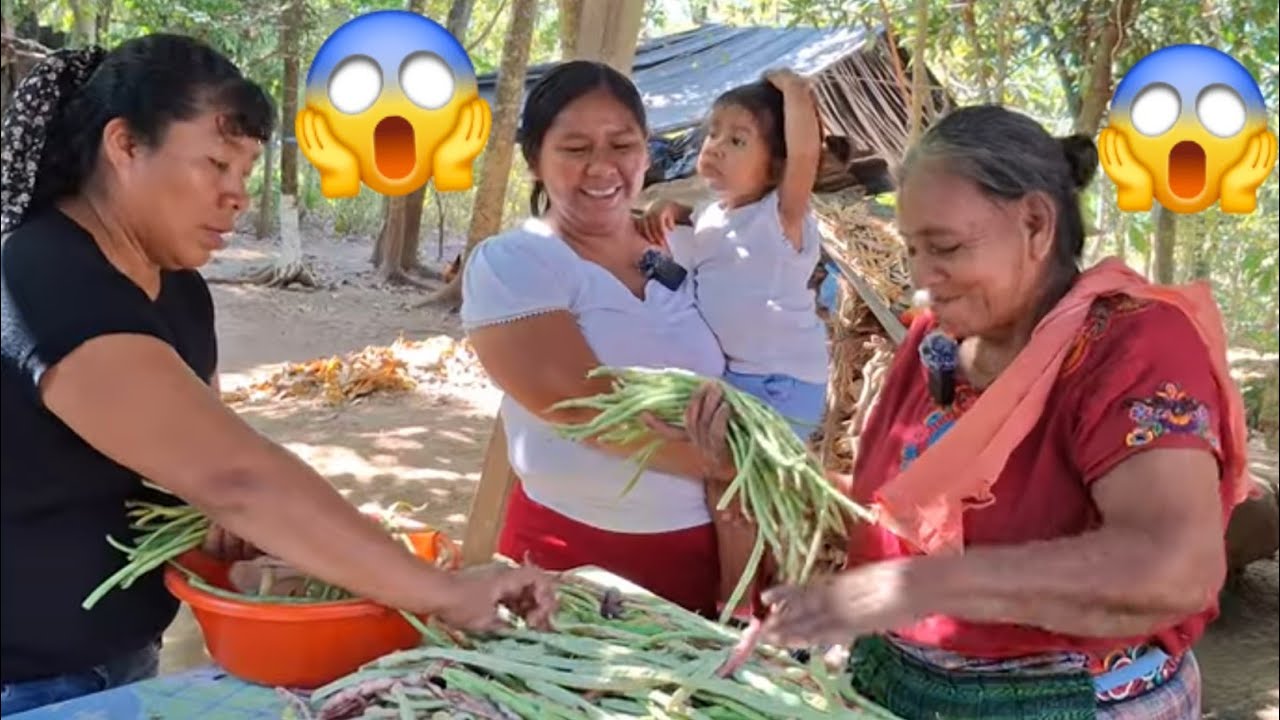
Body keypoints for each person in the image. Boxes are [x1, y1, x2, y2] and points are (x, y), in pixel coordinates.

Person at [0, 35, 556, 716]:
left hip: (120, 658)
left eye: (247, 169)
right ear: (125, 146)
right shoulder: (41, 275)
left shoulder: (179, 292)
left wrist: (237, 532)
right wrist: (441, 593)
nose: (236, 195)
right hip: (23, 682)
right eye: (214, 163)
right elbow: (235, 476)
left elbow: (203, 473)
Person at [663, 105, 1251, 719]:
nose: (923, 279)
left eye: (944, 247)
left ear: (1035, 224)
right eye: (913, 251)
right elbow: (890, 516)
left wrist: (922, 584)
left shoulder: (1131, 346)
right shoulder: (935, 345)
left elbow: (1176, 567)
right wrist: (756, 466)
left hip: (1076, 697)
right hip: (902, 679)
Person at [460, 61, 737, 618]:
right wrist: (729, 465)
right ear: (535, 159)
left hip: (706, 559)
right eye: (575, 147)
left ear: (645, 153)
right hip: (568, 561)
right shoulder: (516, 261)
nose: (601, 166)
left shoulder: (687, 251)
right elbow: (584, 408)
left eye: (622, 144)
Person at [638, 70, 829, 443]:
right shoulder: (711, 214)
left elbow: (805, 155)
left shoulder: (778, 217)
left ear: (776, 166)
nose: (717, 146)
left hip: (781, 384)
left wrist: (795, 90)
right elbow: (697, 245)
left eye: (738, 141)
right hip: (732, 376)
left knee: (756, 487)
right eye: (713, 133)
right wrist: (670, 208)